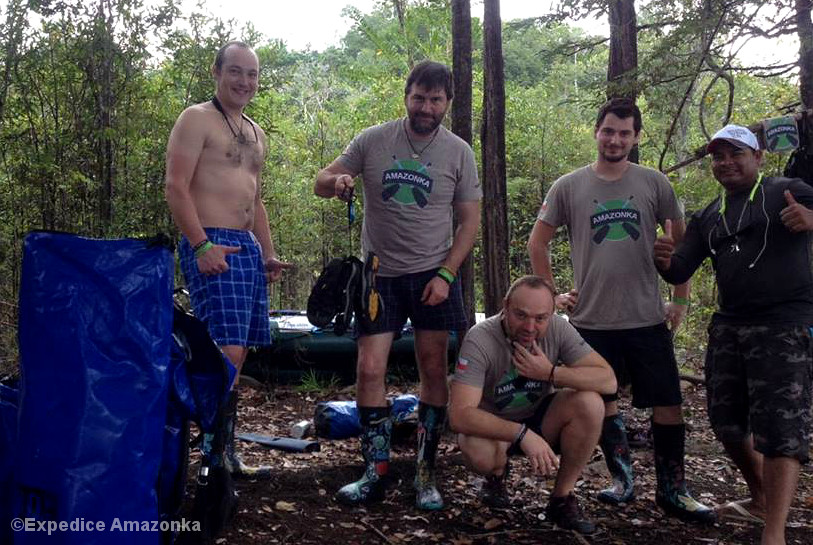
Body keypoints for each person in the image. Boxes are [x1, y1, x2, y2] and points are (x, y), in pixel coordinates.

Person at [527, 97, 715, 522]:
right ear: (596, 131)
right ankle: (622, 479)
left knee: (667, 402)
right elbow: (538, 242)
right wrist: (550, 297)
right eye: (609, 130)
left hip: (646, 316)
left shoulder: (654, 183)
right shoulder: (569, 186)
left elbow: (681, 246)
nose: (615, 139)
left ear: (636, 137)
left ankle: (673, 488)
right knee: (604, 402)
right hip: (590, 321)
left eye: (625, 133)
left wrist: (680, 299)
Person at [314, 60, 481, 510]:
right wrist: (340, 182)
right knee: (369, 369)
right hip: (378, 275)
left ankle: (426, 473)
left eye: (435, 99)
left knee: (431, 367)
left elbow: (469, 222)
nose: (426, 106)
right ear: (406, 95)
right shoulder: (373, 139)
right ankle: (376, 469)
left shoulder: (459, 152)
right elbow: (320, 181)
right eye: (419, 97)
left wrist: (447, 274)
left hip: (434, 275)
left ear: (447, 102)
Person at [654, 124, 813, 545]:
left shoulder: (786, 190)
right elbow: (680, 269)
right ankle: (759, 496)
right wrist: (663, 258)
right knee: (726, 423)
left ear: (758, 156)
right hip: (729, 325)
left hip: (784, 324)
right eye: (718, 157)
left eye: (735, 154)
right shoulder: (710, 214)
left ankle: (773, 532)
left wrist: (812, 218)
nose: (726, 163)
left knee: (780, 432)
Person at [165, 41, 291, 477]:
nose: (245, 82)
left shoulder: (256, 132)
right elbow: (176, 187)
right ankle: (209, 456)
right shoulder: (196, 119)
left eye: (252, 74)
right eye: (235, 72)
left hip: (245, 248)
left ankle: (223, 450)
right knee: (226, 350)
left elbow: (255, 201)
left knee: (237, 354)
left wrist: (268, 254)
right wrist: (201, 245)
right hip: (210, 241)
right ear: (216, 72)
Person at [449, 276, 616, 534]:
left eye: (540, 318)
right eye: (521, 315)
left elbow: (608, 381)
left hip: (541, 417)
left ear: (551, 314)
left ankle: (562, 499)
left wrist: (551, 373)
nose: (530, 326)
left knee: (591, 403)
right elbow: (459, 415)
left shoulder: (559, 329)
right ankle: (496, 474)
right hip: (496, 427)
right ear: (505, 306)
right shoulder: (479, 338)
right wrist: (522, 434)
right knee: (480, 453)